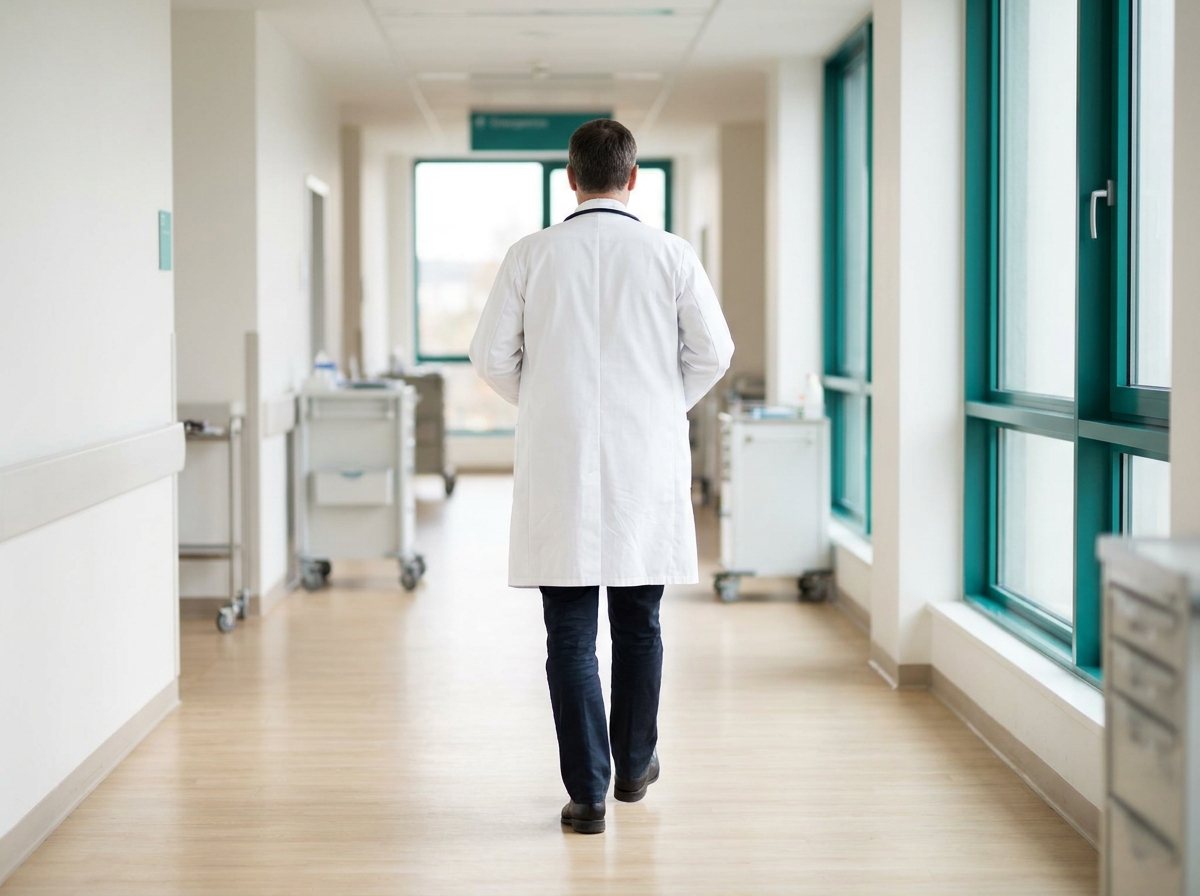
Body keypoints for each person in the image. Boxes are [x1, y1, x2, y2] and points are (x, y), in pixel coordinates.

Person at [469, 118, 734, 834]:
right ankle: (635, 768)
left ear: (571, 178)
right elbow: (714, 352)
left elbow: (490, 357)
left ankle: (587, 793)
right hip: (643, 461)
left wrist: (553, 405)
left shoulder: (532, 254)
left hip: (560, 459)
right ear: (634, 178)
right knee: (640, 621)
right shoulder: (670, 254)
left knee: (570, 633)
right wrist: (653, 406)